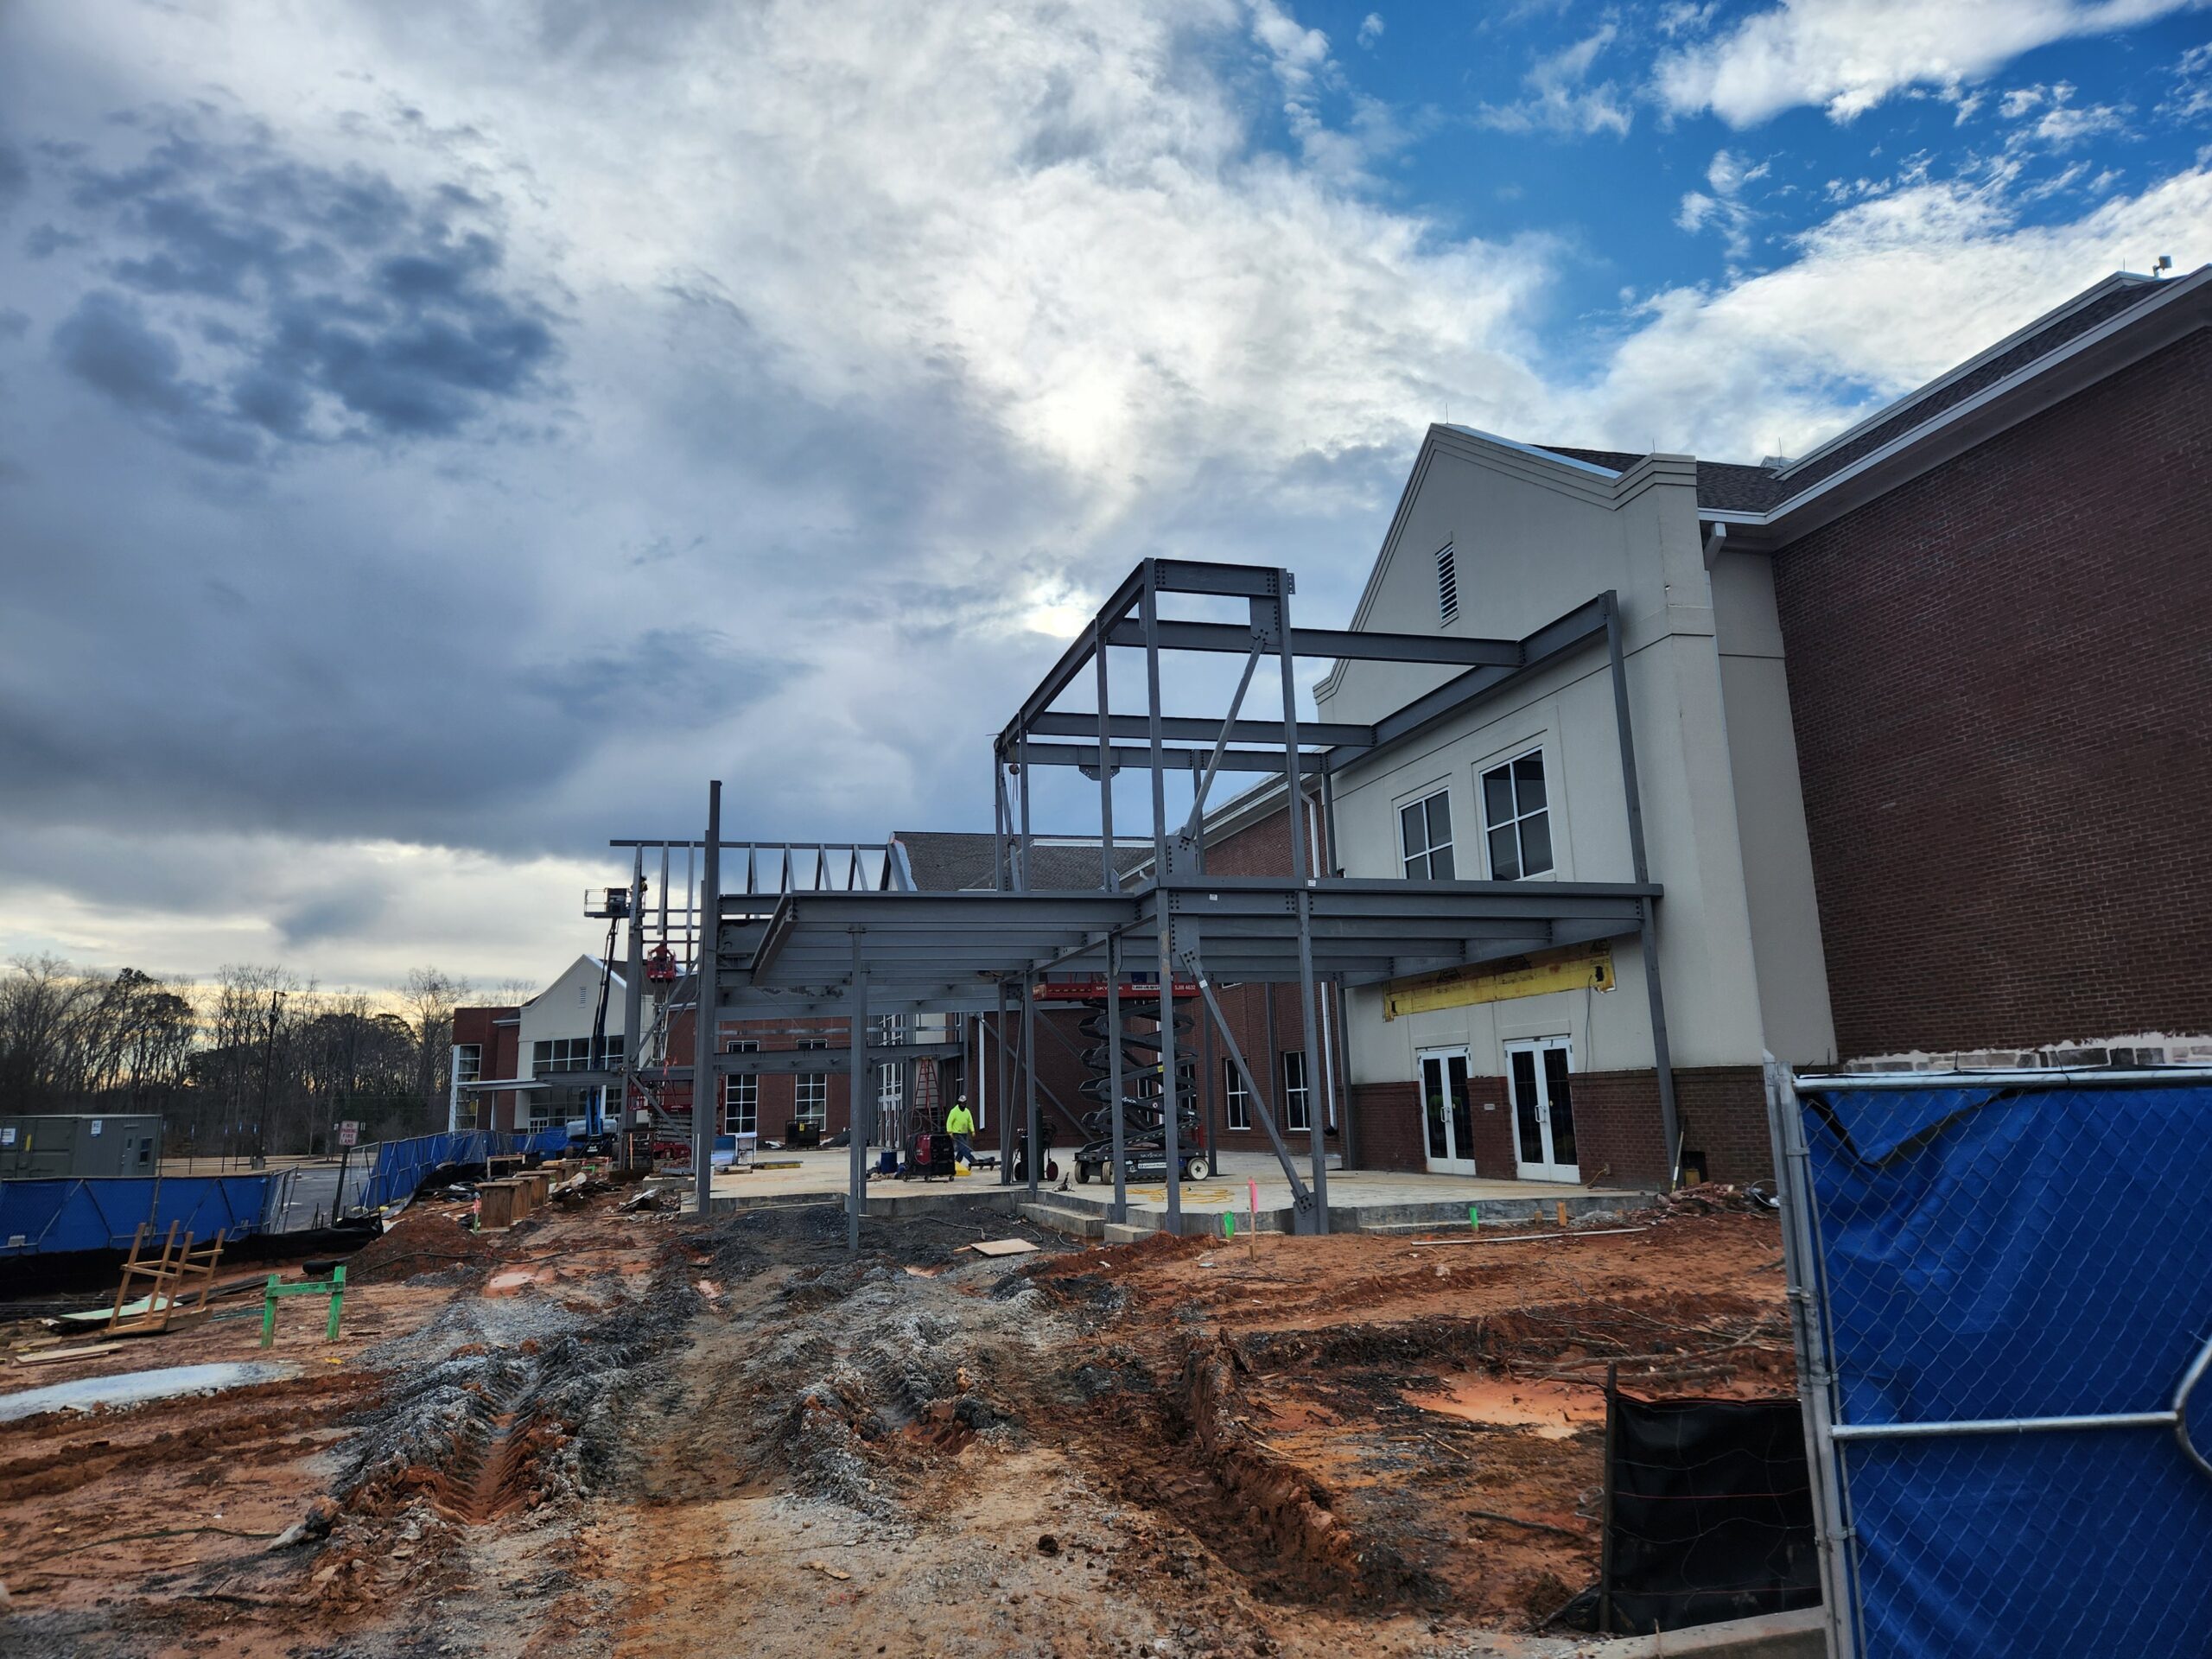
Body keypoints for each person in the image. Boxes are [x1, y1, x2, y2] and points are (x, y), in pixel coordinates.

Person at [944, 1096, 976, 1170]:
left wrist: (972, 1130)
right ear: (959, 1103)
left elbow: (970, 1121)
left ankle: (956, 1162)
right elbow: (949, 1122)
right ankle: (972, 1160)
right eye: (962, 1103)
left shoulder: (967, 1111)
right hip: (957, 1133)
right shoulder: (954, 1111)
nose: (963, 1105)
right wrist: (950, 1131)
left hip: (964, 1133)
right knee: (964, 1147)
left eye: (964, 1103)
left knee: (961, 1149)